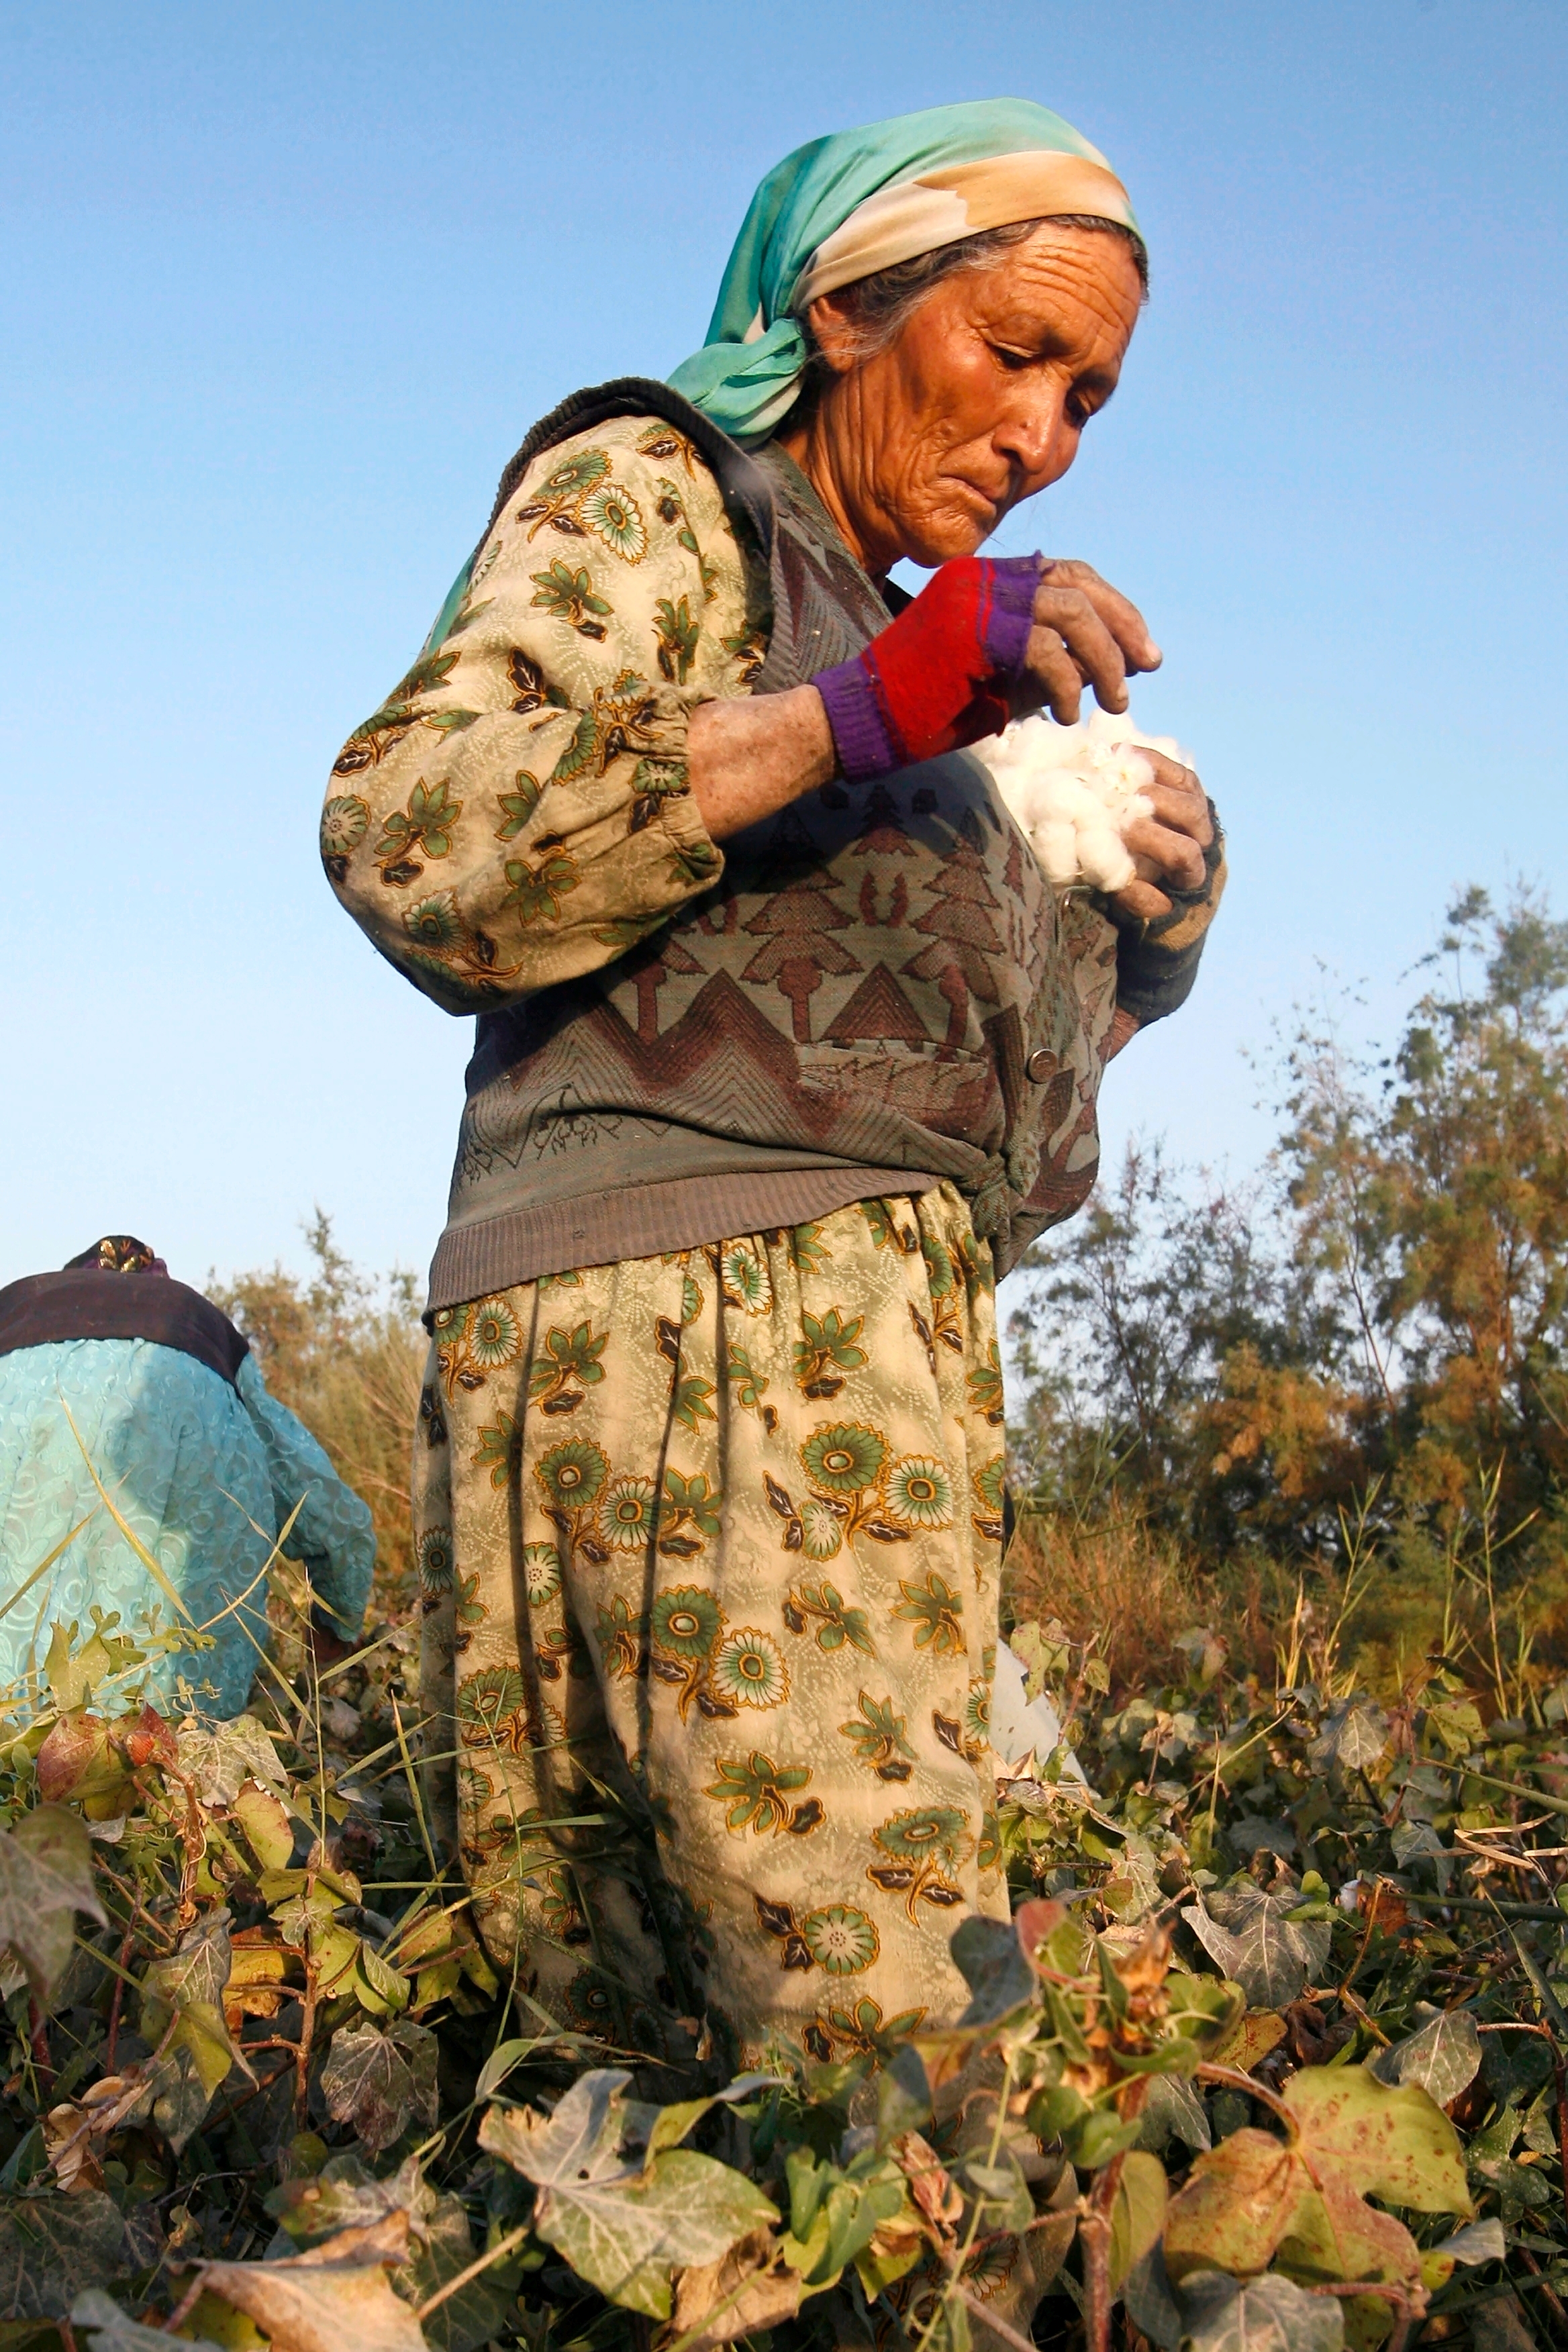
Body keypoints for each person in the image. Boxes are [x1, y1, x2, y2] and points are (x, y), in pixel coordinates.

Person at [322, 99, 1224, 2070]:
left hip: (856, 1370)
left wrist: (1130, 939)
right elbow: (413, 836)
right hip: (692, 1348)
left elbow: (998, 1165)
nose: (1044, 436)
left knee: (637, 2103)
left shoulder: (914, 699)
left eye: (1086, 400)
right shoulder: (668, 492)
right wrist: (859, 709)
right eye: (1012, 354)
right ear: (841, 305)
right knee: (883, 2077)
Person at [0, 1236, 375, 1716]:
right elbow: (331, 1518)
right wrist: (335, 1629)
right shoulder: (204, 1338)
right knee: (169, 1736)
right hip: (165, 1723)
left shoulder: (16, 1315)